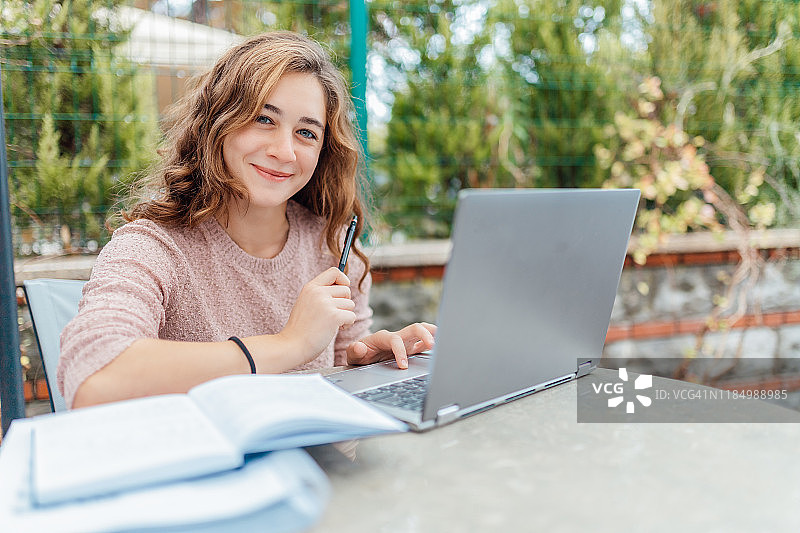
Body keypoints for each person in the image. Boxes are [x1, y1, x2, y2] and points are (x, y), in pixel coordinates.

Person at [58, 31, 436, 409]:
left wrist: (360, 365)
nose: (284, 151)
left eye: (306, 132)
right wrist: (288, 345)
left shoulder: (333, 248)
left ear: (324, 150)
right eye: (263, 119)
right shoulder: (153, 248)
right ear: (218, 122)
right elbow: (94, 381)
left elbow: (333, 394)